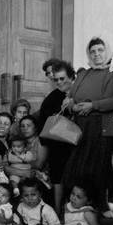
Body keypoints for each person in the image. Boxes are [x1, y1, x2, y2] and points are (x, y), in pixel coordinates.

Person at [62, 37, 113, 217]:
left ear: (106, 51)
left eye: (100, 50)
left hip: (103, 126)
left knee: (100, 167)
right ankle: (79, 201)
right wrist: (73, 106)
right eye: (92, 51)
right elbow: (71, 98)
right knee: (79, 165)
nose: (96, 54)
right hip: (81, 126)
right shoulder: (84, 74)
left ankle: (102, 203)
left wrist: (93, 105)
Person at [38, 60, 76, 215]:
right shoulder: (52, 97)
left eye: (62, 79)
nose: (59, 82)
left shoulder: (79, 91)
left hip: (78, 142)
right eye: (56, 79)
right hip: (58, 144)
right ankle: (58, 209)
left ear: (70, 76)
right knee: (58, 176)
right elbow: (44, 123)